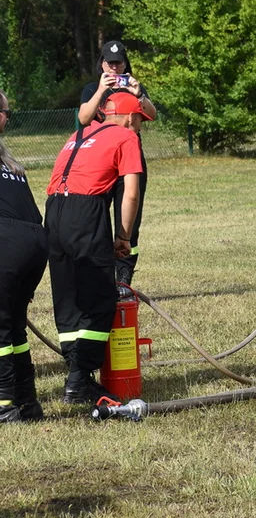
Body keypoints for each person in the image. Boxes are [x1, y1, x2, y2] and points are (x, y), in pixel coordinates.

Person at [45, 92, 148, 405]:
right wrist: (124, 237)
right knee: (101, 299)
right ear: (131, 117)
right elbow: (130, 194)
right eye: (142, 119)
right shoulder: (126, 137)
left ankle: (77, 371)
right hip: (86, 212)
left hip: (53, 211)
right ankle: (79, 381)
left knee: (69, 297)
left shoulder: (79, 133)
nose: (141, 126)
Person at [78, 40, 156, 286]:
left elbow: (152, 115)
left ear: (125, 64)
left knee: (129, 220)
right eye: (109, 63)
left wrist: (139, 94)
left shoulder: (135, 87)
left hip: (130, 159)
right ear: (101, 63)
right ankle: (100, 272)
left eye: (118, 63)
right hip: (101, 161)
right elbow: (83, 118)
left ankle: (123, 276)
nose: (114, 68)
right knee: (97, 215)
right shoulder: (92, 88)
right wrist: (101, 91)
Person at [0, 91, 49, 422]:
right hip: (35, 243)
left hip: (8, 241)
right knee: (14, 326)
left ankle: (3, 405)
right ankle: (27, 403)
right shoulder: (13, 165)